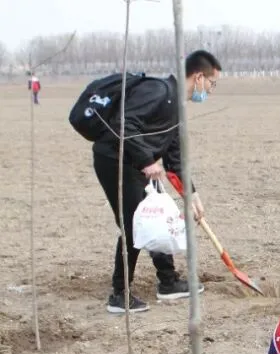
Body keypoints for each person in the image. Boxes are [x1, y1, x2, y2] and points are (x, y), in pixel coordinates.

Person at [92, 49, 220, 314]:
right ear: (198, 77)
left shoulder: (176, 107)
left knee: (156, 219)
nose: (211, 90)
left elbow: (174, 159)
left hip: (138, 164)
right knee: (133, 225)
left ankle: (168, 282)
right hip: (115, 161)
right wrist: (147, 161)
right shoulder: (158, 91)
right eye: (212, 83)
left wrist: (192, 195)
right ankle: (120, 295)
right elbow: (124, 123)